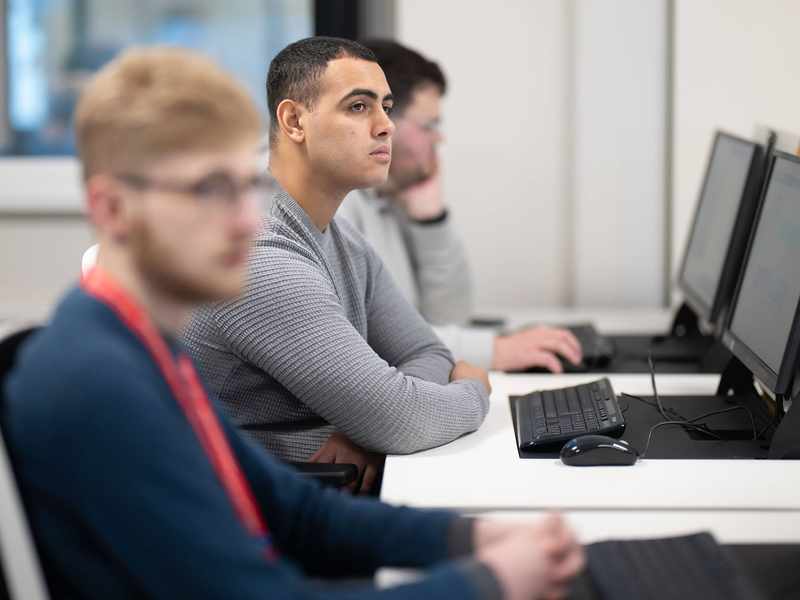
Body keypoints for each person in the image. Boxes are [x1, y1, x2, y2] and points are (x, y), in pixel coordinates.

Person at [3, 46, 584, 599]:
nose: (243, 221)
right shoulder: (99, 383)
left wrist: (471, 539)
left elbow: (295, 511)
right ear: (110, 210)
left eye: (244, 187)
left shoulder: (145, 344)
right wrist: (494, 581)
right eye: (209, 190)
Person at [184, 37, 491, 490]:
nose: (386, 126)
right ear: (293, 121)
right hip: (255, 516)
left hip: (318, 493)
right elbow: (404, 418)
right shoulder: (259, 259)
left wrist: (368, 426)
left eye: (386, 107)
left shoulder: (338, 234)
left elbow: (425, 352)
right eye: (359, 107)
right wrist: (474, 390)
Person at [338, 40, 583, 374]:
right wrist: (494, 351)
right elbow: (360, 344)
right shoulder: (336, 205)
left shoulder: (385, 194)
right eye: (429, 126)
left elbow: (449, 316)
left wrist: (431, 221)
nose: (439, 139)